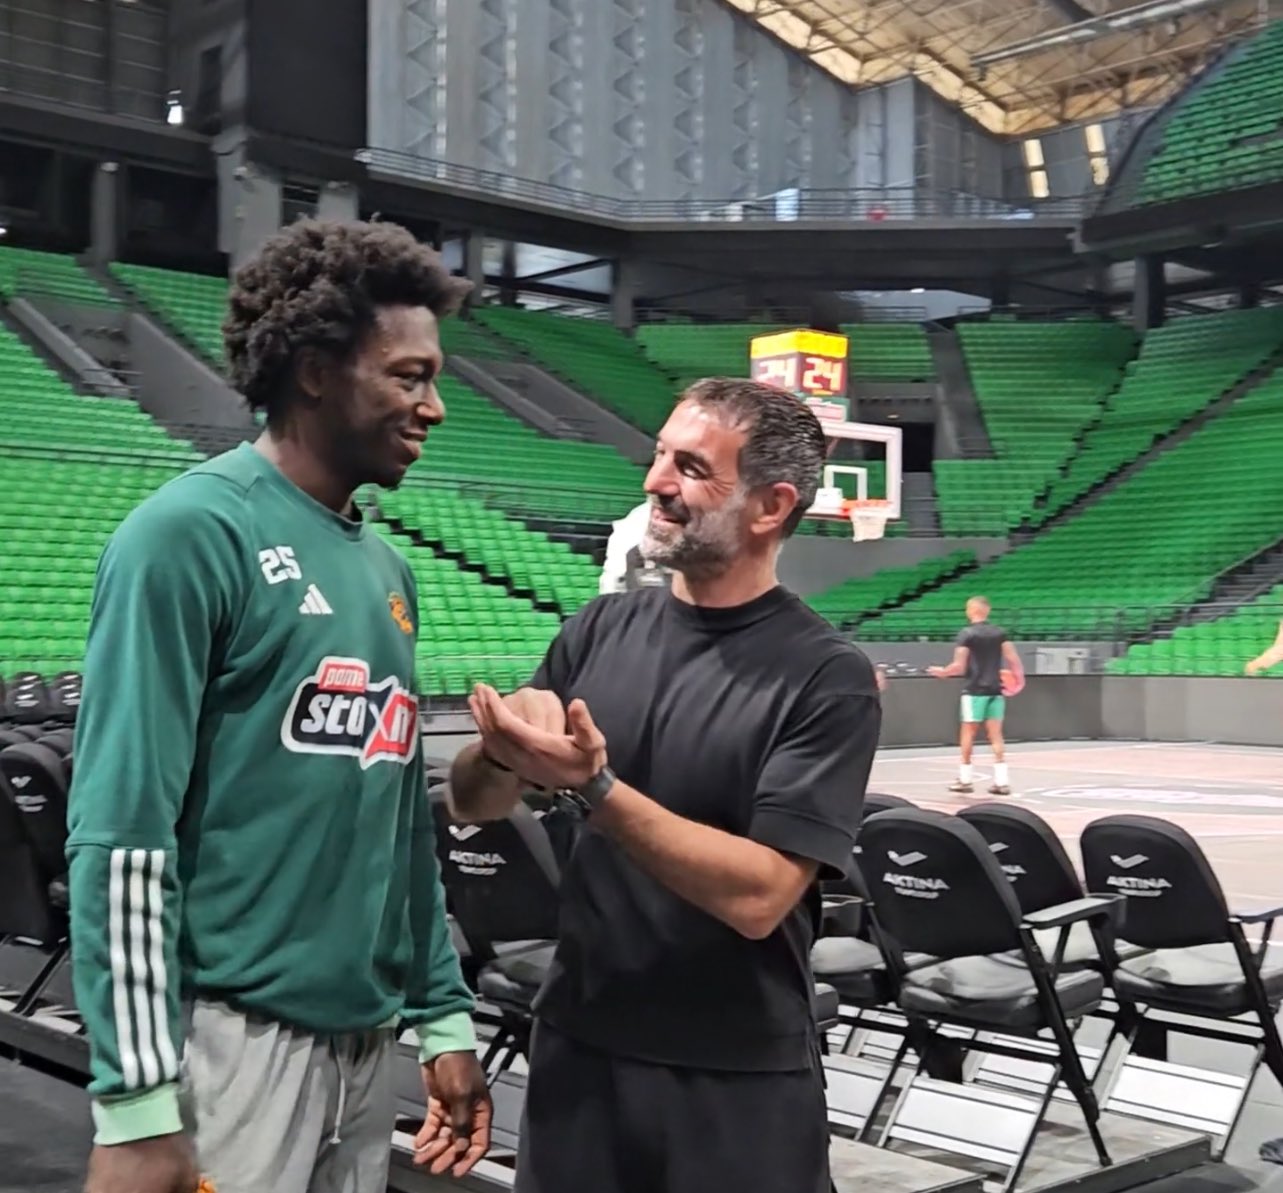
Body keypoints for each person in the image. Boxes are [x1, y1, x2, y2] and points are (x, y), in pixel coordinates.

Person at [66, 218, 492, 1193]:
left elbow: (397, 826)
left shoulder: (387, 570)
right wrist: (136, 1098)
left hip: (364, 1048)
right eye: (410, 377)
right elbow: (122, 834)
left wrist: (441, 1014)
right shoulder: (187, 535)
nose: (433, 407)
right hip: (225, 1046)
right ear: (313, 371)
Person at [449, 377, 882, 1193]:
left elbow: (759, 897)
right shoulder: (599, 628)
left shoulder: (824, 676)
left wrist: (596, 788)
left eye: (691, 467)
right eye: (659, 456)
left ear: (769, 506)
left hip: (731, 1075)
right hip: (577, 1049)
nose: (655, 481)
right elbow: (476, 804)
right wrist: (500, 751)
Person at [928, 595, 1021, 795]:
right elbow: (1013, 658)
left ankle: (965, 780)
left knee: (968, 733)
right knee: (996, 735)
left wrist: (943, 672)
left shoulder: (967, 634)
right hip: (995, 690)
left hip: (974, 690)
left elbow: (959, 666)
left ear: (971, 611)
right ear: (987, 611)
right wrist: (1019, 680)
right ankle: (1002, 782)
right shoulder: (1000, 633)